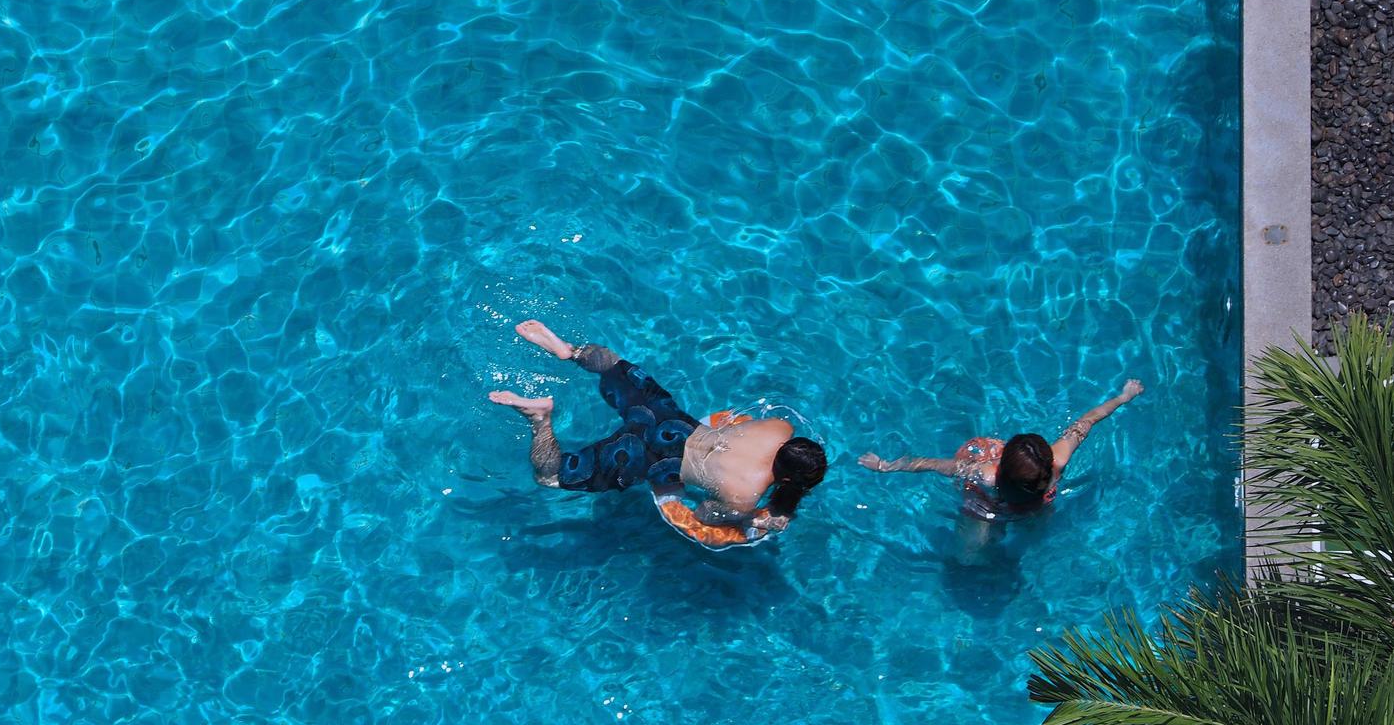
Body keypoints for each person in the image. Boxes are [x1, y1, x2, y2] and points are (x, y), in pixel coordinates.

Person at [487, 319, 829, 548]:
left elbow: (725, 419)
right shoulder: (744, 494)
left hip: (670, 420)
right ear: (788, 481)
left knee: (615, 366)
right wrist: (756, 522)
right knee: (550, 477)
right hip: (653, 458)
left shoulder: (779, 428)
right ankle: (540, 418)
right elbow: (702, 521)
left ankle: (568, 351)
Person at [857, 379, 1145, 521]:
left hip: (1020, 503)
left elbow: (1088, 421)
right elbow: (934, 464)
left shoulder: (1056, 461)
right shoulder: (987, 475)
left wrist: (1122, 397)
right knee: (973, 548)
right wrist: (886, 465)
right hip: (992, 503)